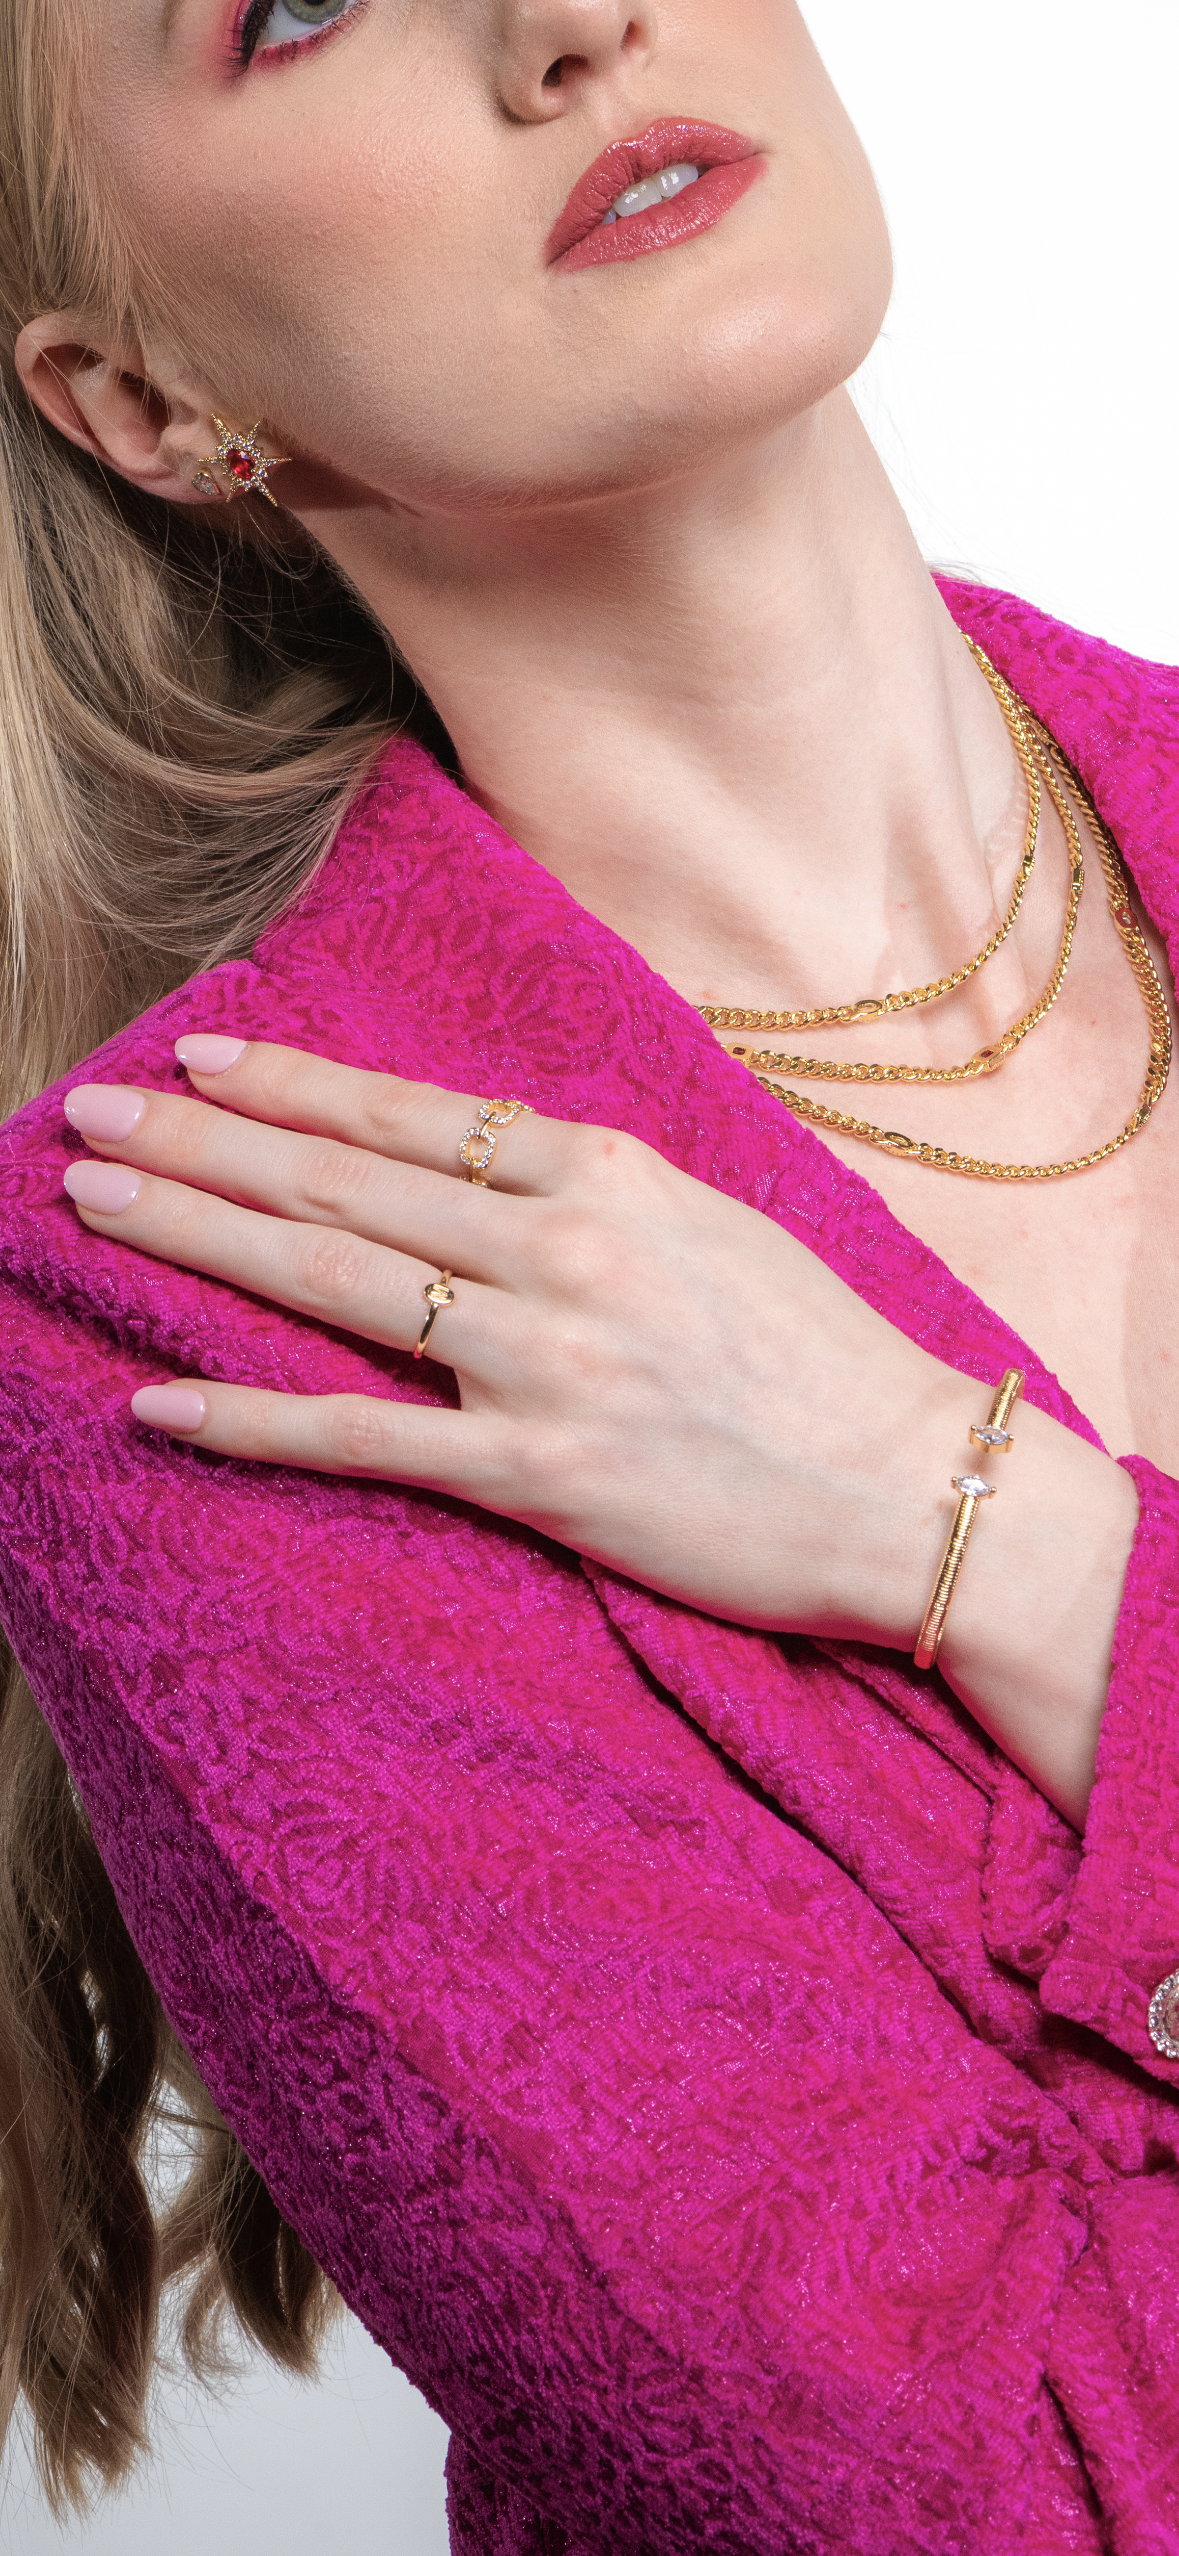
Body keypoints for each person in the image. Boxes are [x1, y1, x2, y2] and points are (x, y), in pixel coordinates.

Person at [0, 0, 1176, 2546]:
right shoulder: (201, 1280)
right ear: (142, 398)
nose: (562, 25)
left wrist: (1018, 1558)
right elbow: (1016, 2497)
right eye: (298, 5)